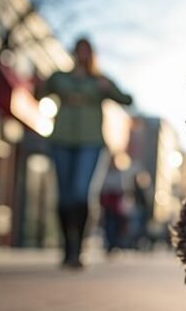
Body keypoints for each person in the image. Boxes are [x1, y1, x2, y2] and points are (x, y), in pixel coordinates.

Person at [38, 38, 133, 269]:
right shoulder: (60, 78)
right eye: (79, 50)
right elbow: (37, 92)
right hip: (61, 140)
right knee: (64, 197)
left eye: (86, 51)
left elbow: (127, 100)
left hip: (90, 143)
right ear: (73, 53)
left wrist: (107, 87)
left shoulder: (99, 81)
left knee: (81, 194)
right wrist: (44, 83)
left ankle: (78, 250)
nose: (82, 55)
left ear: (92, 55)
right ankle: (66, 248)